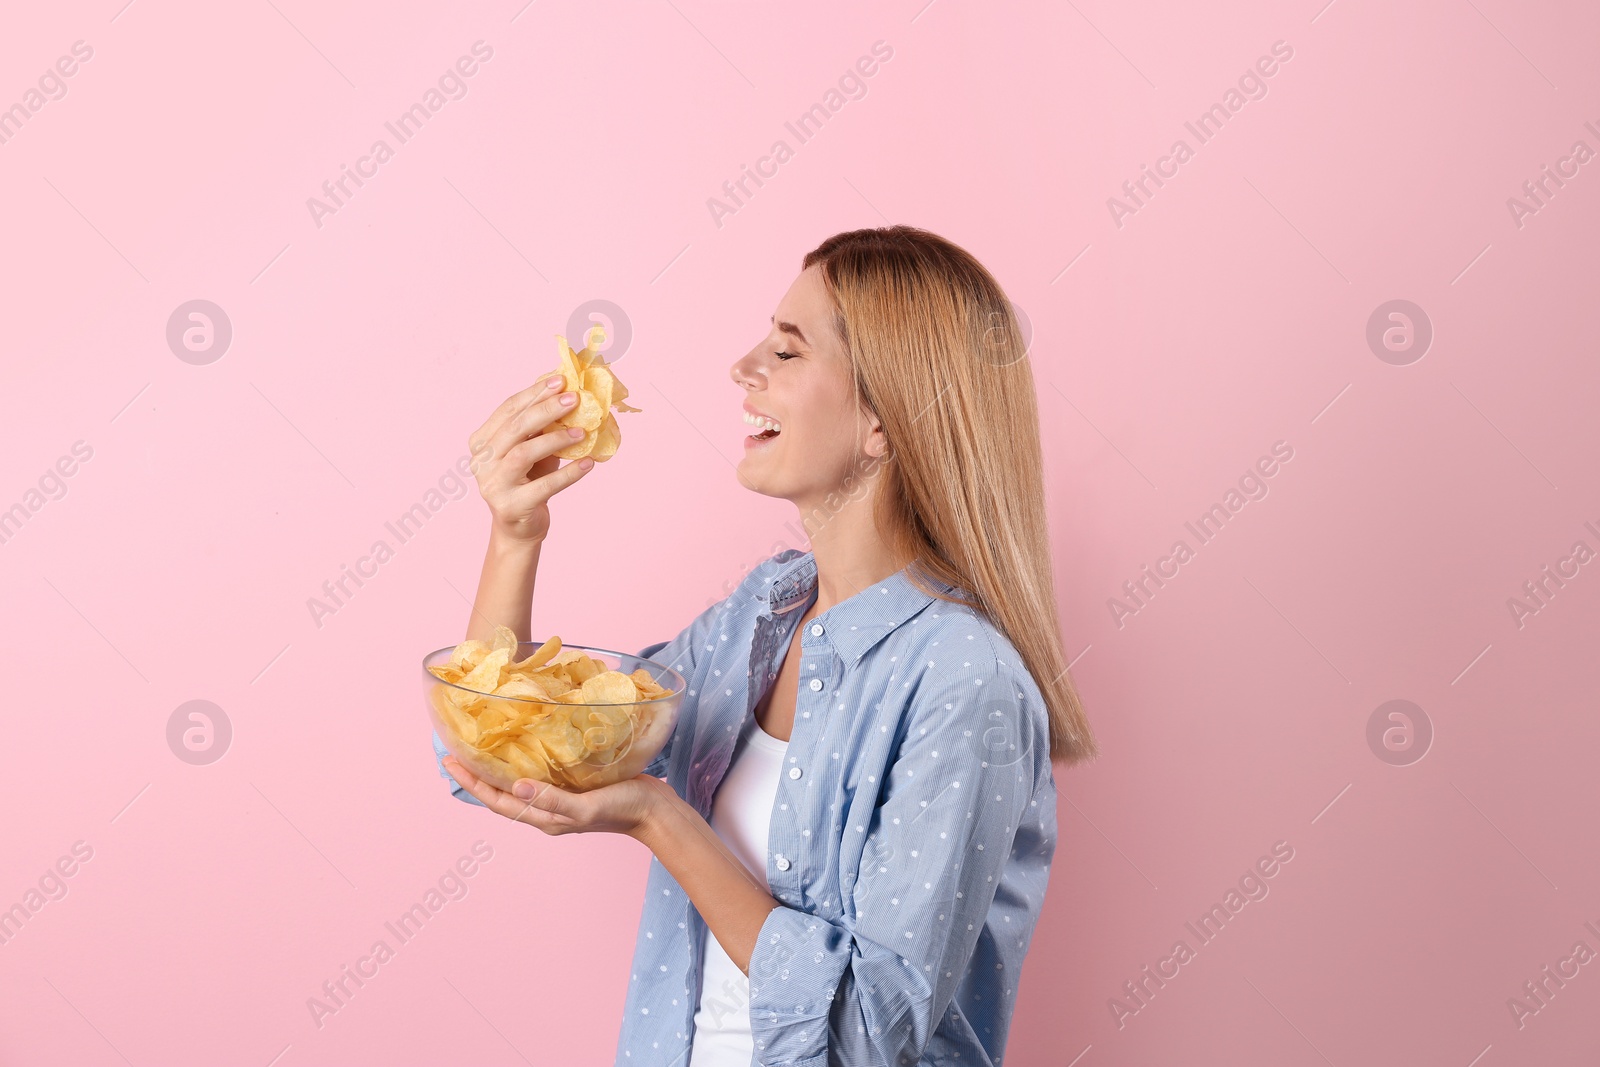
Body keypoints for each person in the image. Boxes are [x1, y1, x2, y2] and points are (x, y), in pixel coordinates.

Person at [433, 224, 1097, 1066]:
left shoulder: (965, 683)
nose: (743, 368)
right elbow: (508, 744)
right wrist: (515, 536)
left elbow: (868, 1034)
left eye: (787, 352)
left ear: (884, 421)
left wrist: (658, 816)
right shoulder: (762, 616)